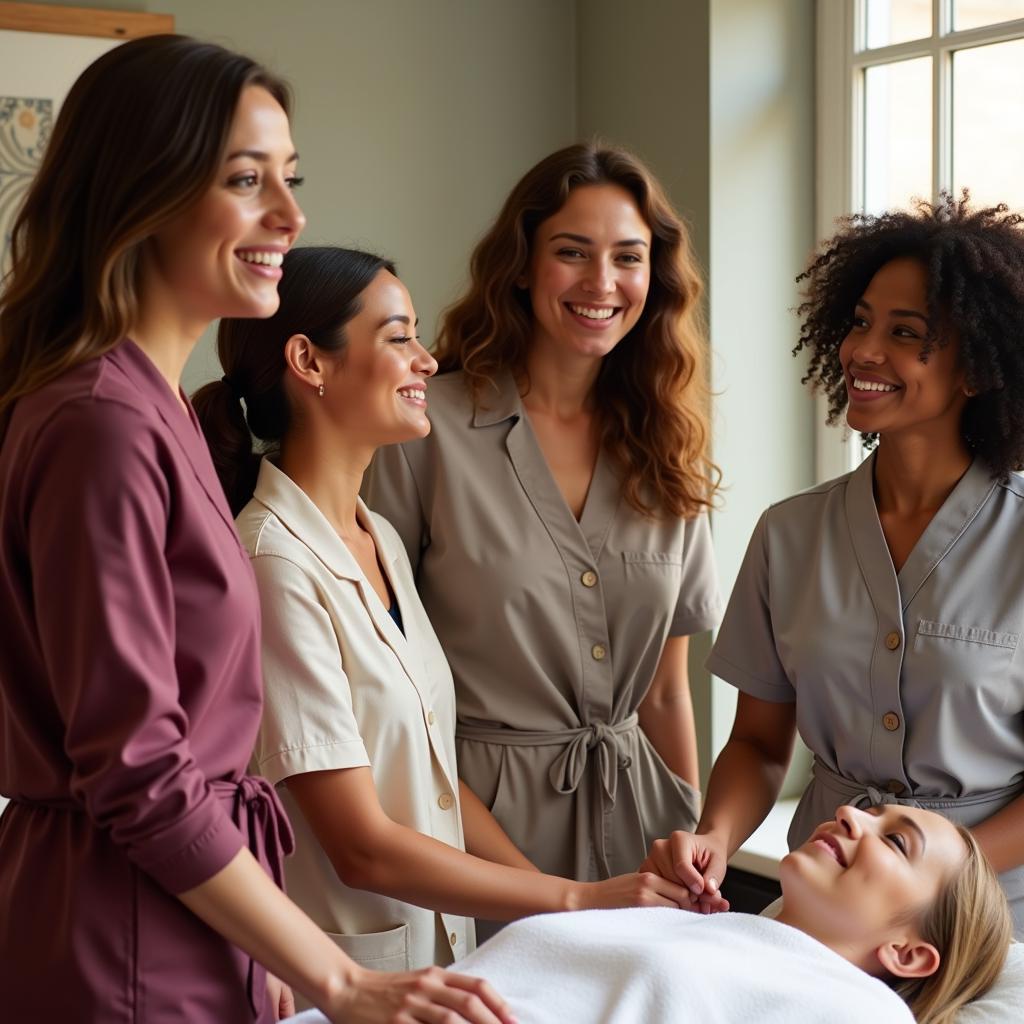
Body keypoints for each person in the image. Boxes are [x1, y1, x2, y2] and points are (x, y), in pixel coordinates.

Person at [0, 36, 511, 1024]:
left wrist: (260, 937)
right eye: (246, 179)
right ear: (141, 191)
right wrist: (339, 973)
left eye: (291, 178)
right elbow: (140, 771)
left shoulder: (159, 413)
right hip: (123, 945)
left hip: (184, 919)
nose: (291, 215)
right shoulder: (101, 423)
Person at [195, 245, 699, 997]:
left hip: (438, 961)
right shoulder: (273, 564)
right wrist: (576, 899)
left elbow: (435, 777)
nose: (426, 361)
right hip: (347, 981)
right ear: (310, 362)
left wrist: (558, 905)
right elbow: (360, 846)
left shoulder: (380, 540)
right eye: (398, 337)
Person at [363, 144, 721, 927]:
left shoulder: (669, 446)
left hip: (641, 841)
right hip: (472, 838)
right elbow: (390, 692)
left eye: (628, 258)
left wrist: (684, 841)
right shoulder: (423, 431)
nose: (602, 283)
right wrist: (541, 896)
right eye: (572, 253)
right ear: (522, 265)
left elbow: (665, 690)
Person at [649, 194, 1024, 935]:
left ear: (977, 370)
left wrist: (928, 877)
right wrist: (716, 837)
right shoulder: (791, 534)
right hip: (822, 917)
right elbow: (758, 744)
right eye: (859, 323)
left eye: (905, 333)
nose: (863, 351)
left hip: (994, 919)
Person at [293, 804, 1013, 1024]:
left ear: (911, 955)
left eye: (895, 840)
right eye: (873, 808)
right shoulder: (705, 927)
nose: (853, 813)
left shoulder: (860, 1013)